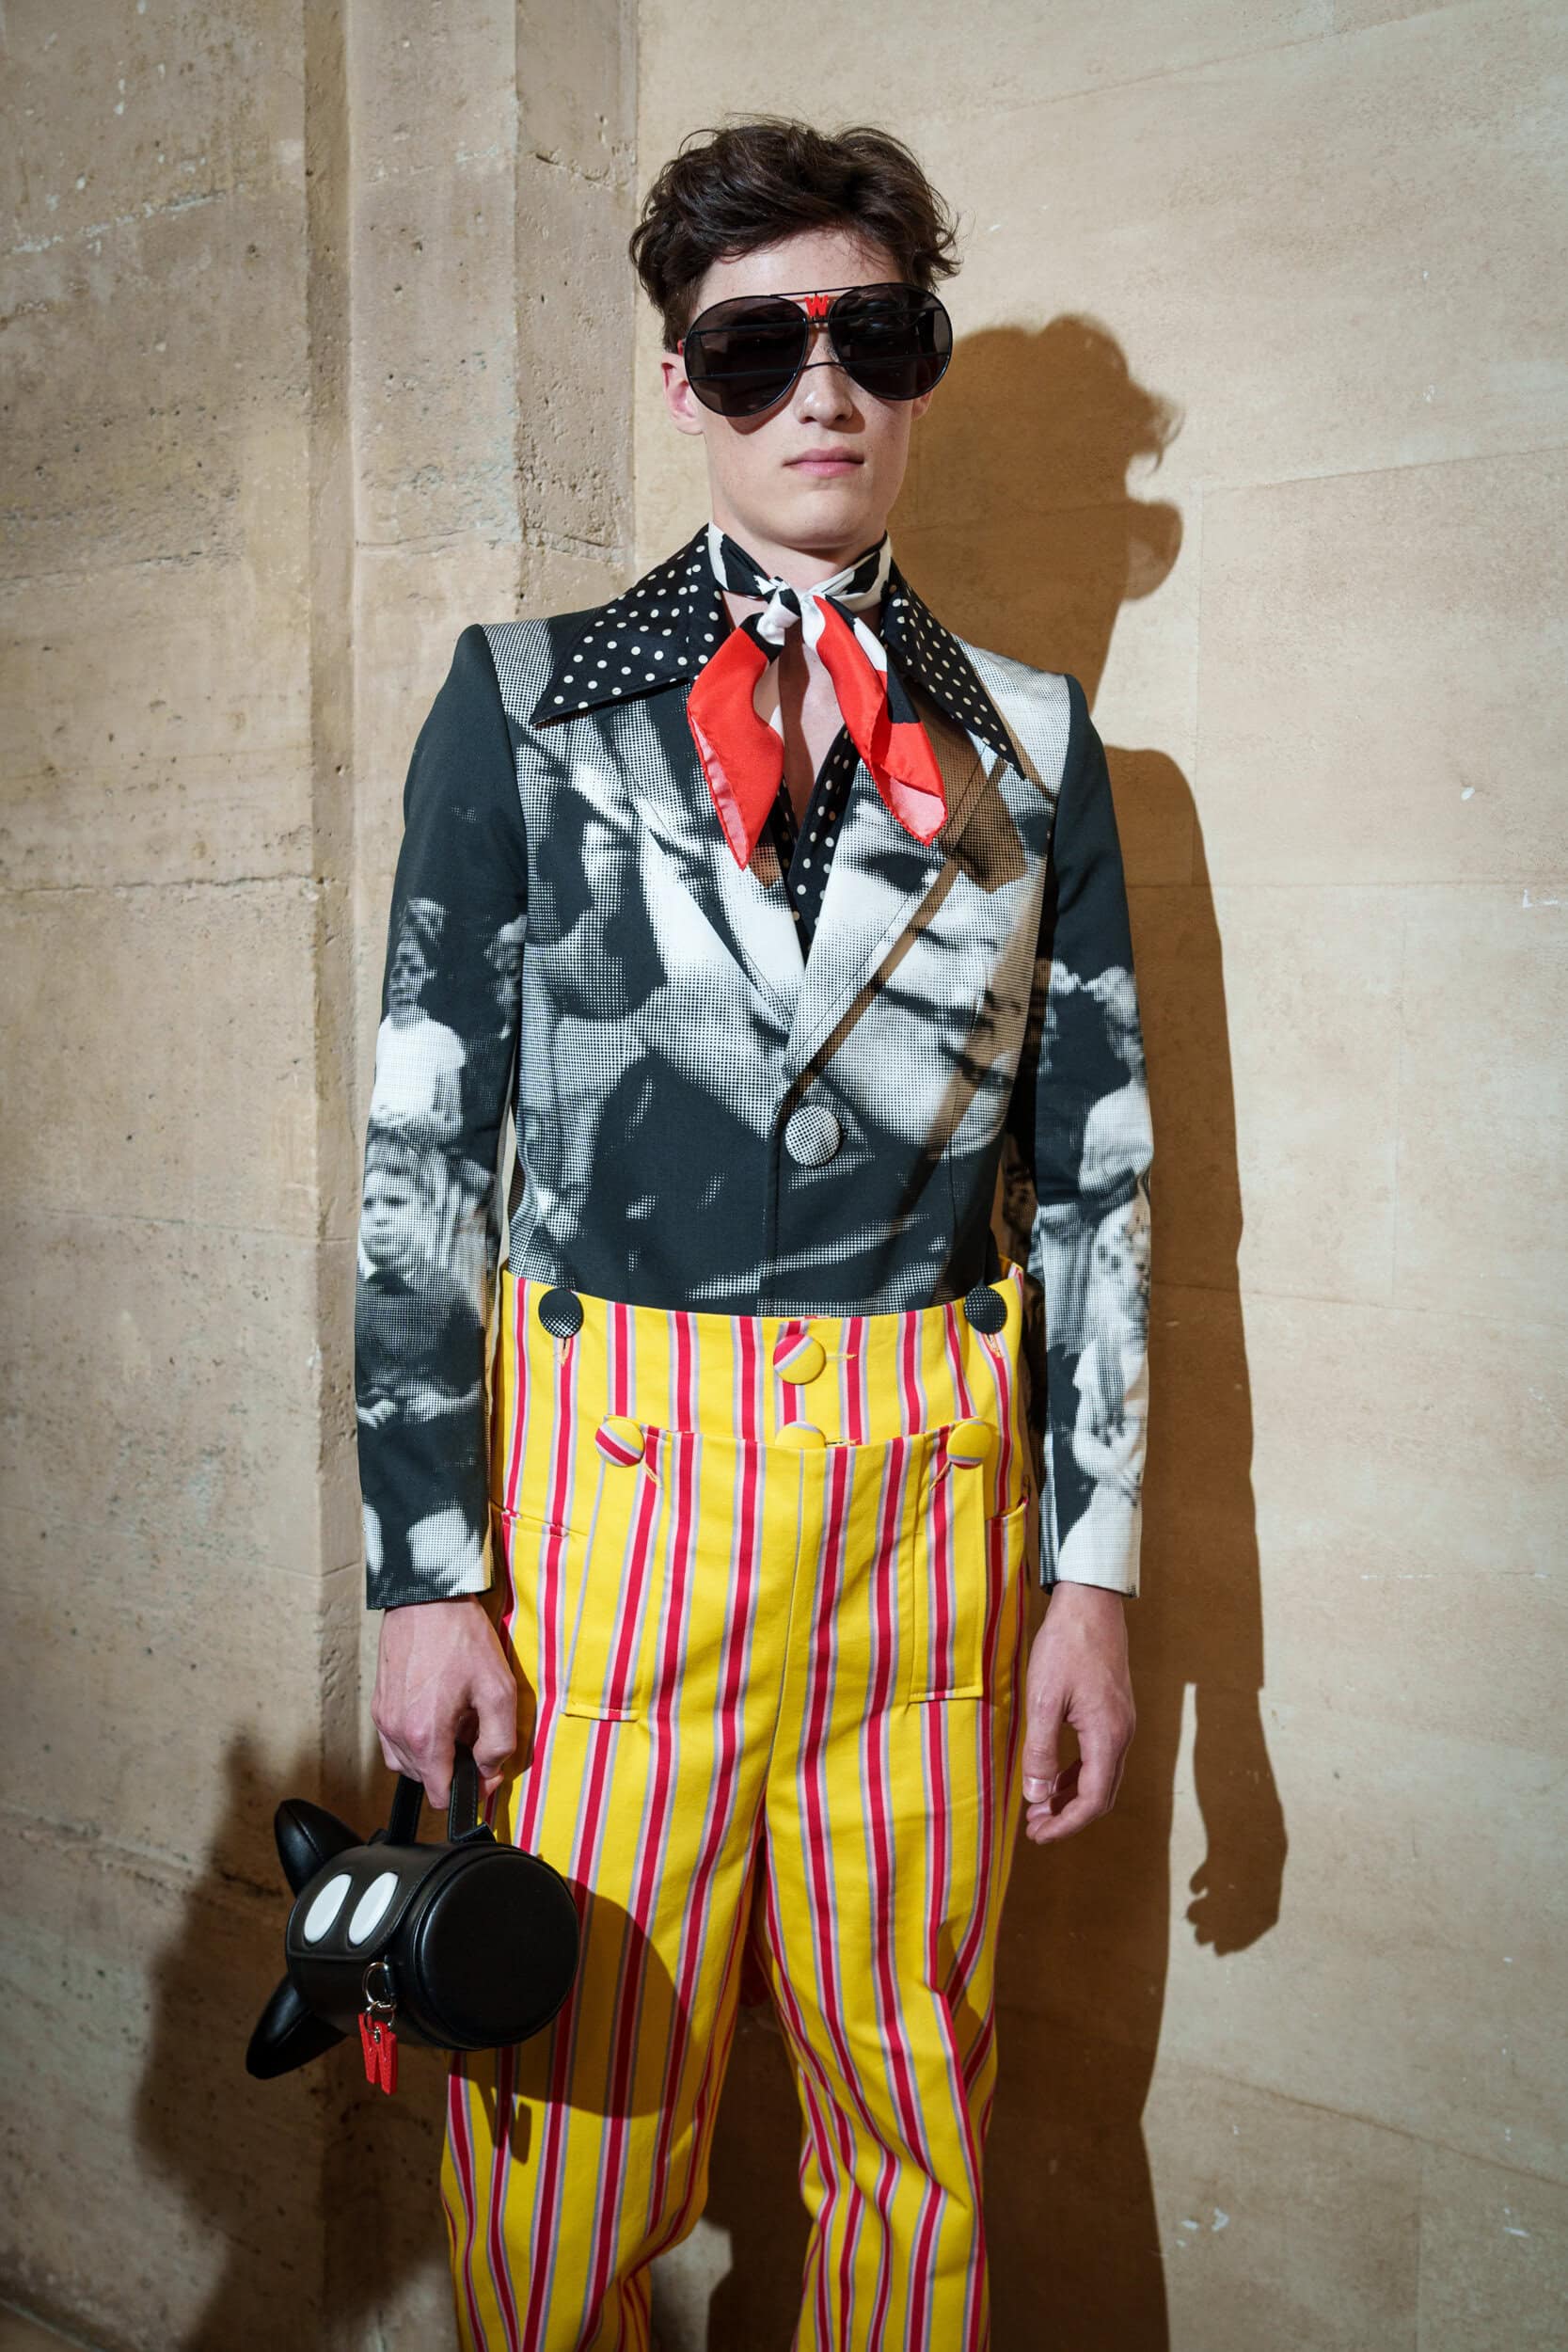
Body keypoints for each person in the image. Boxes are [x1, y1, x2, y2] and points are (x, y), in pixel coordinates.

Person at [354, 113, 1154, 2352]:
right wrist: (424, 1573)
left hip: (932, 1524)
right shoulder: (522, 702)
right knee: (566, 2135)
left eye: (873, 337)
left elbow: (1101, 1177)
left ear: (920, 371)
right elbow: (424, 1160)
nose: (822, 389)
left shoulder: (1042, 743)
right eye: (756, 346)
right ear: (683, 379)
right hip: (611, 1521)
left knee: (919, 2119)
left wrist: (1094, 1572)